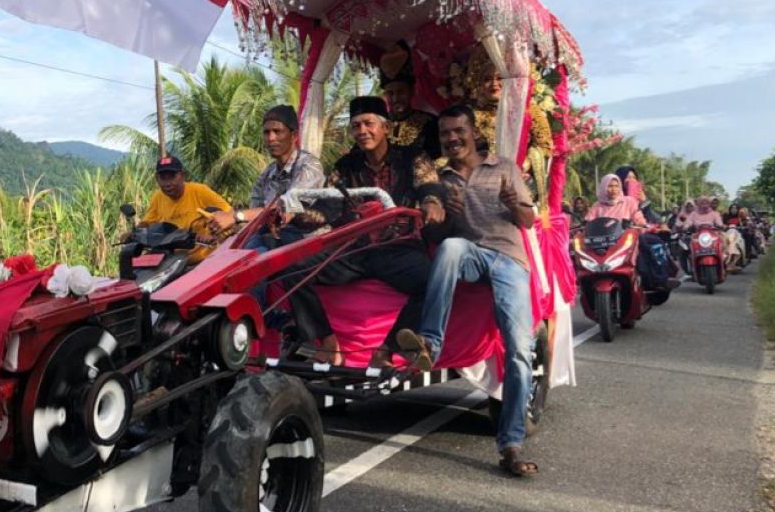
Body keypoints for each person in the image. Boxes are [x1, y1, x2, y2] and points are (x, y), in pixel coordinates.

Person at [394, 105, 539, 477]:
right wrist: (451, 217)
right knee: (450, 247)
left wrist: (513, 205)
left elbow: (528, 219)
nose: (453, 138)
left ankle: (510, 443)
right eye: (445, 133)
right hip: (470, 254)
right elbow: (438, 236)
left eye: (459, 131)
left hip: (509, 259)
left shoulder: (504, 167)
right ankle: (430, 343)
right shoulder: (441, 180)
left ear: (474, 132)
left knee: (520, 350)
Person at [279, 95, 444, 367]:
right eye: (356, 126)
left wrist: (432, 203)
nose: (362, 131)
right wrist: (293, 216)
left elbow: (430, 185)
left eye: (368, 123)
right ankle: (326, 341)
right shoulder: (346, 166)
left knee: (434, 281)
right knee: (293, 266)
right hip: (355, 250)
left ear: (386, 128)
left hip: (399, 249)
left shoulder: (412, 157)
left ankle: (386, 349)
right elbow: (327, 210)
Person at [208, 105, 325, 245]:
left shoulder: (309, 166)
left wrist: (235, 216)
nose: (271, 138)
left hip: (308, 244)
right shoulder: (267, 174)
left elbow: (283, 208)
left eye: (277, 131)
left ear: (294, 136)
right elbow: (254, 215)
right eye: (266, 132)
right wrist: (226, 230)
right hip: (273, 241)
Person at [585, 174, 678, 290]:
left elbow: (638, 217)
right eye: (609, 186)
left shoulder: (629, 202)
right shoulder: (597, 206)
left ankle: (657, 278)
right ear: (603, 187)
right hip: (604, 243)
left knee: (646, 245)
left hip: (627, 239)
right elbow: (588, 222)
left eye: (616, 186)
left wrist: (640, 224)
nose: (613, 189)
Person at [139, 156, 231, 263]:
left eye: (172, 177)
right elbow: (148, 222)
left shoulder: (199, 191)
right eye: (163, 178)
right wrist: (134, 233)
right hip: (173, 262)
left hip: (205, 259)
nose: (168, 183)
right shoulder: (158, 197)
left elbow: (229, 213)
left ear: (182, 176)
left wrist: (213, 232)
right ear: (157, 179)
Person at [379, 41, 441, 159]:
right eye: (390, 93)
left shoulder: (430, 123)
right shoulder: (377, 126)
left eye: (401, 92)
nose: (396, 98)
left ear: (412, 91)